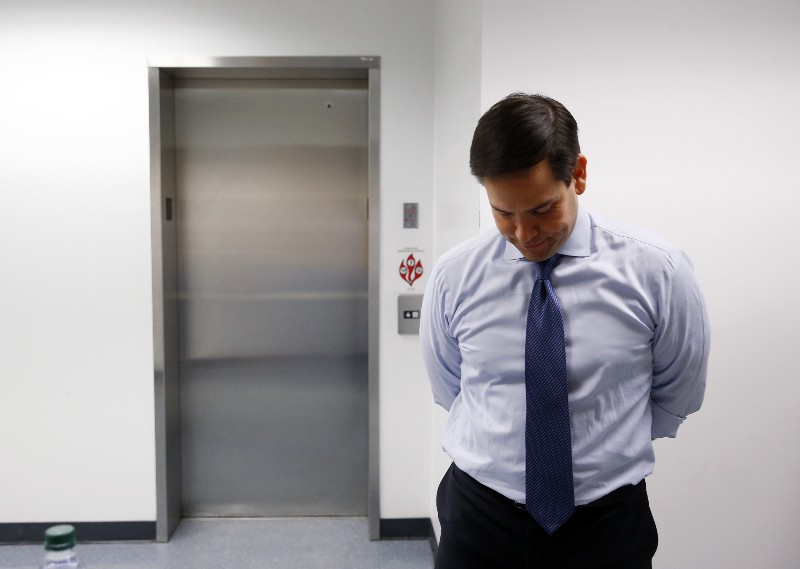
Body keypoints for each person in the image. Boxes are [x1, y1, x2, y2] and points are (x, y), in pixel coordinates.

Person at [420, 93, 710, 569]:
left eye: (540, 209)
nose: (523, 232)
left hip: (605, 522)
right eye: (503, 213)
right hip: (481, 512)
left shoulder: (658, 271)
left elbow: (679, 390)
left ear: (578, 174)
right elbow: (451, 386)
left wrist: (603, 449)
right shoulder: (455, 275)